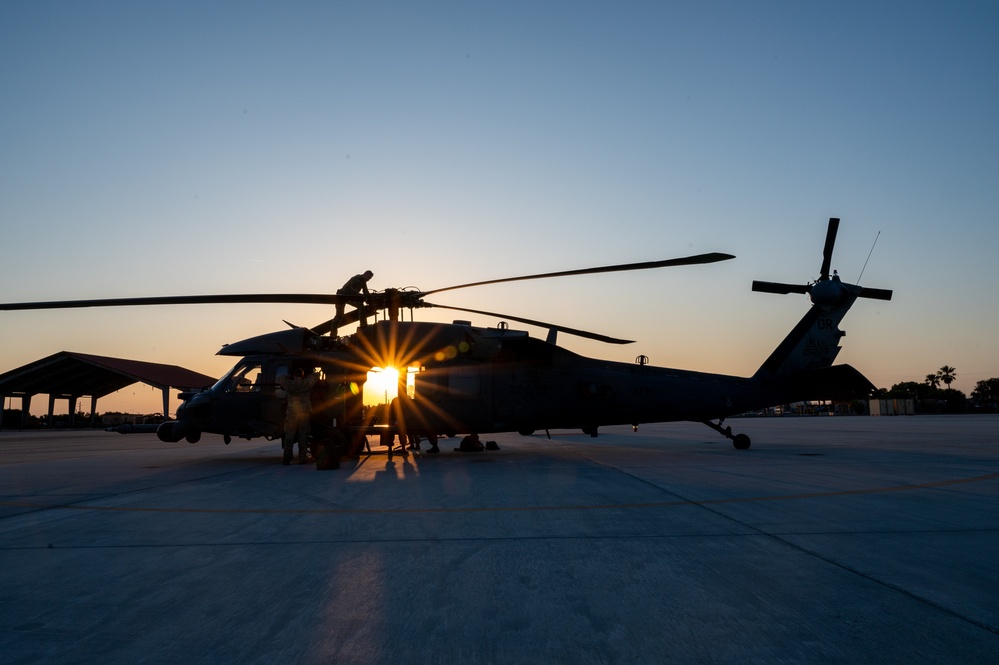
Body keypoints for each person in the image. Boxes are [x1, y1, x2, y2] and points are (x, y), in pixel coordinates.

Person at [278, 367, 318, 465]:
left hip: (292, 413)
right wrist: (309, 375)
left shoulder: (289, 384)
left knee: (289, 436)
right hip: (304, 413)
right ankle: (302, 458)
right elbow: (316, 376)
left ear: (294, 375)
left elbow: (280, 378)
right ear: (302, 375)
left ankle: (287, 458)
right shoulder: (306, 383)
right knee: (303, 436)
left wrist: (288, 377)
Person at [331, 270, 374, 335]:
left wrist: (369, 297)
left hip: (349, 297)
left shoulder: (363, 281)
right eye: (368, 277)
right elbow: (352, 291)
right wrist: (362, 296)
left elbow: (365, 291)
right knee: (339, 316)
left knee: (360, 306)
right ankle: (333, 335)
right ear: (365, 274)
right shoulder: (356, 279)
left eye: (370, 278)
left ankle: (363, 325)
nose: (368, 279)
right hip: (341, 297)